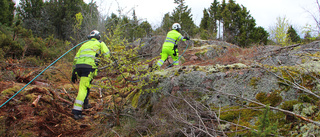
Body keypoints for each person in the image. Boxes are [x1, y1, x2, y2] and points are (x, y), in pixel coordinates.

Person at [71, 30, 110, 120]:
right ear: (98, 36)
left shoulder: (84, 44)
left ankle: (86, 104)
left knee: (86, 85)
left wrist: (74, 72)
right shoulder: (100, 43)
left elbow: (76, 58)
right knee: (83, 88)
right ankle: (76, 111)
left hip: (79, 67)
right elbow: (107, 55)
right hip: (88, 68)